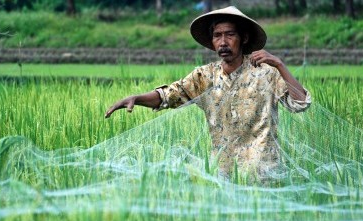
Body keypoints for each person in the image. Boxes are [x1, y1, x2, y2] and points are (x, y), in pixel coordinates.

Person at [105, 6, 311, 181]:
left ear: (244, 38)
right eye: (217, 35)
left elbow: (300, 104)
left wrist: (279, 64)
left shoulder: (266, 72)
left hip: (264, 174)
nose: (223, 42)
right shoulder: (205, 77)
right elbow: (169, 96)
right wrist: (136, 98)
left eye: (230, 34)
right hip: (223, 174)